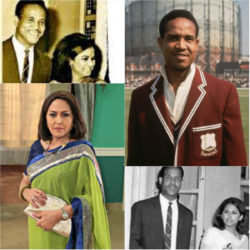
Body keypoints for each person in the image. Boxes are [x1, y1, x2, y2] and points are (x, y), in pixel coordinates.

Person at [127, 9, 247, 166]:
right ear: (160, 43)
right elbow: (135, 162)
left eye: (188, 39)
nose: (181, 46)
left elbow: (236, 162)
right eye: (173, 38)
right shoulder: (140, 97)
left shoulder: (224, 93)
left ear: (196, 45)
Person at [18, 91, 111, 249]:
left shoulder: (82, 151)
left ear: (73, 118)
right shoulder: (36, 148)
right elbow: (23, 184)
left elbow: (94, 197)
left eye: (65, 115)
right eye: (53, 115)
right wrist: (27, 193)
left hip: (67, 230)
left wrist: (60, 214)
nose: (58, 121)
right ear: (45, 118)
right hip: (39, 228)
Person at [130, 166, 193, 249]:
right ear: (160, 180)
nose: (173, 182)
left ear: (181, 182)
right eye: (168, 178)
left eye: (177, 179)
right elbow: (132, 243)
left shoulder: (187, 215)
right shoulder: (141, 208)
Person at [2, 0, 51, 83]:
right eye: (30, 20)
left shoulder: (46, 63)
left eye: (41, 22)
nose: (37, 27)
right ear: (16, 21)